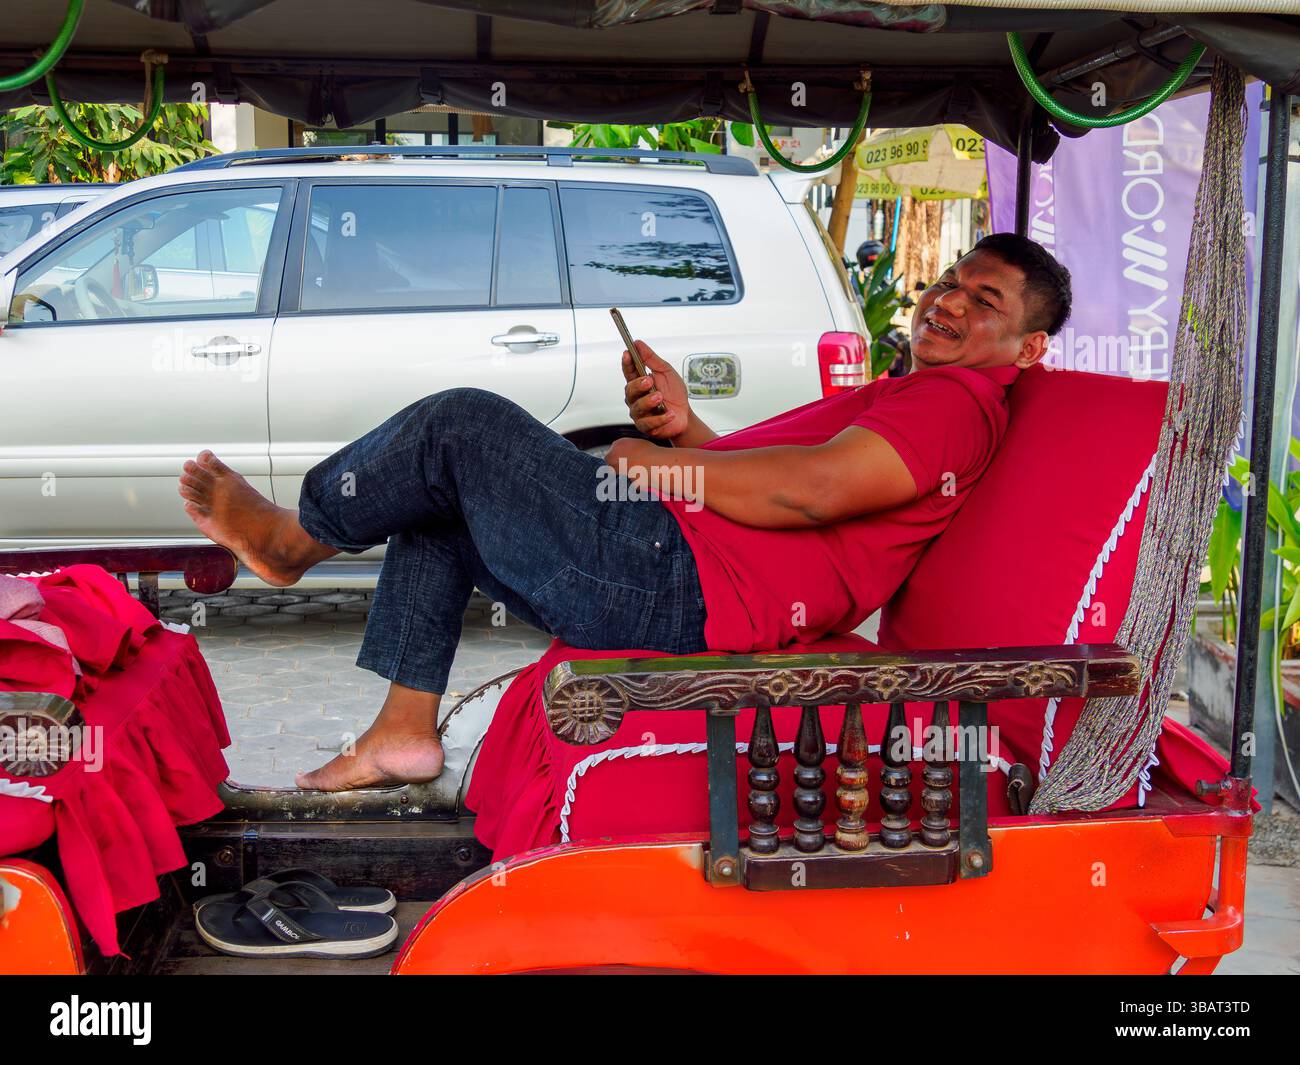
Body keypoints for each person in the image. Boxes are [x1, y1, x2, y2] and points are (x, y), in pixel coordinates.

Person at [178, 233, 1071, 792]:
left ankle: (287, 544)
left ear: (1028, 345)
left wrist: (661, 469)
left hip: (679, 582)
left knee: (462, 423)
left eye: (983, 300)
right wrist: (688, 432)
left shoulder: (959, 402)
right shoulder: (924, 394)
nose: (948, 301)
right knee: (439, 491)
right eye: (952, 280)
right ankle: (403, 732)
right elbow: (816, 498)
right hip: (687, 568)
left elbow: (815, 490)